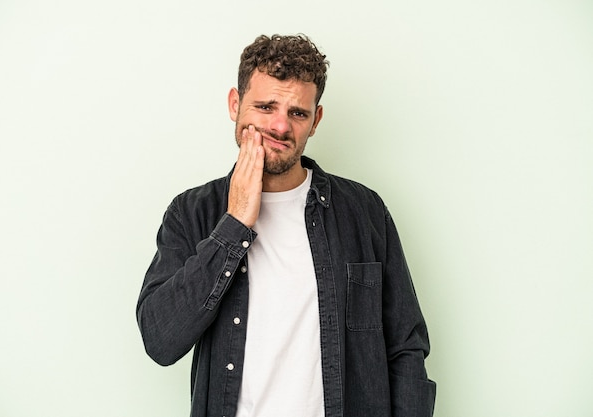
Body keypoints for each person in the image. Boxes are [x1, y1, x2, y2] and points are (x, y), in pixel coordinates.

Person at [137, 34, 436, 417]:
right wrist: (234, 224)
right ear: (235, 104)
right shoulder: (191, 213)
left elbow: (405, 347)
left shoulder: (364, 212)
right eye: (265, 106)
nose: (280, 126)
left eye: (297, 113)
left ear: (316, 121)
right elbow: (160, 340)